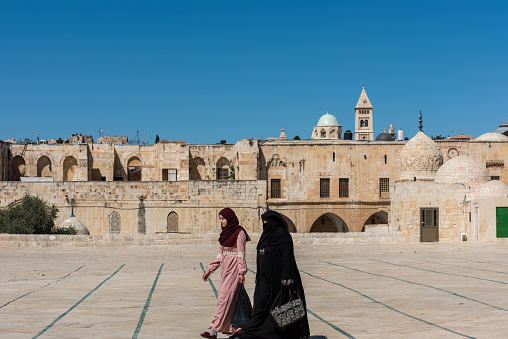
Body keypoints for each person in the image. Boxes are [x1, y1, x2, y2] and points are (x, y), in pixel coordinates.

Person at [239, 210, 310, 339]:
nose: (265, 224)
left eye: (267, 221)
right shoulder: (265, 235)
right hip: (264, 280)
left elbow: (287, 259)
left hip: (279, 281)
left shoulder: (283, 235)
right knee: (260, 304)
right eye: (263, 222)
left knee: (281, 308)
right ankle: (252, 332)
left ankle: (281, 334)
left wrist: (287, 279)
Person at [201, 208, 251, 339]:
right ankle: (237, 329)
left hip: (234, 268)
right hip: (225, 268)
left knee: (223, 298)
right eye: (220, 219)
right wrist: (210, 270)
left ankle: (214, 329)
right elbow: (220, 254)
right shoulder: (224, 234)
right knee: (231, 299)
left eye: (223, 218)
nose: (221, 221)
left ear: (229, 218)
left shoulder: (239, 233)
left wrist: (241, 272)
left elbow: (241, 254)